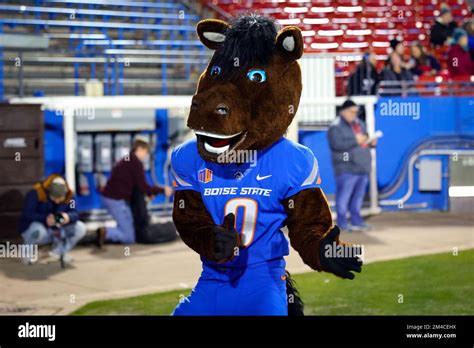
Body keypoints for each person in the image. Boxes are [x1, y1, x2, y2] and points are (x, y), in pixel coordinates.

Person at [99, 139, 173, 245]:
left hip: (113, 199)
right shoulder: (135, 163)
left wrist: (149, 193)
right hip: (116, 201)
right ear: (140, 149)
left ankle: (109, 233)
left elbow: (137, 187)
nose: (146, 155)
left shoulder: (127, 160)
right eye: (146, 152)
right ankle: (106, 232)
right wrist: (162, 190)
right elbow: (143, 187)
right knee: (129, 237)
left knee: (128, 228)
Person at [327, 100, 376, 232]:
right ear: (344, 111)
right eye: (352, 112)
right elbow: (336, 145)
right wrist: (356, 140)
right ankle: (342, 222)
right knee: (344, 197)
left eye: (356, 112)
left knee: (358, 197)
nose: (354, 114)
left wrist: (371, 142)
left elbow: (364, 139)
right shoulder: (335, 126)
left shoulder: (360, 123)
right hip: (346, 167)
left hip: (362, 166)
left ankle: (356, 220)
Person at [19, 174, 86, 264]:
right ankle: (27, 252)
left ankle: (59, 251)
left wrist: (67, 217)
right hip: (37, 228)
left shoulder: (70, 197)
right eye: (54, 198)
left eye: (60, 199)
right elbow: (27, 214)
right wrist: (45, 219)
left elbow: (75, 213)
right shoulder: (35, 193)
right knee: (38, 230)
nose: (57, 201)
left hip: (57, 229)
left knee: (80, 228)